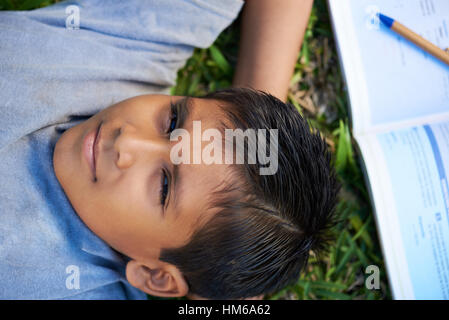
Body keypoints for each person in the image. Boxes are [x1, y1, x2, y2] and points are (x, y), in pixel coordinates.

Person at [0, 0, 338, 300]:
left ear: (155, 276)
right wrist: (252, 136)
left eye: (163, 186)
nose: (127, 141)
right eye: (173, 121)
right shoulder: (133, 50)